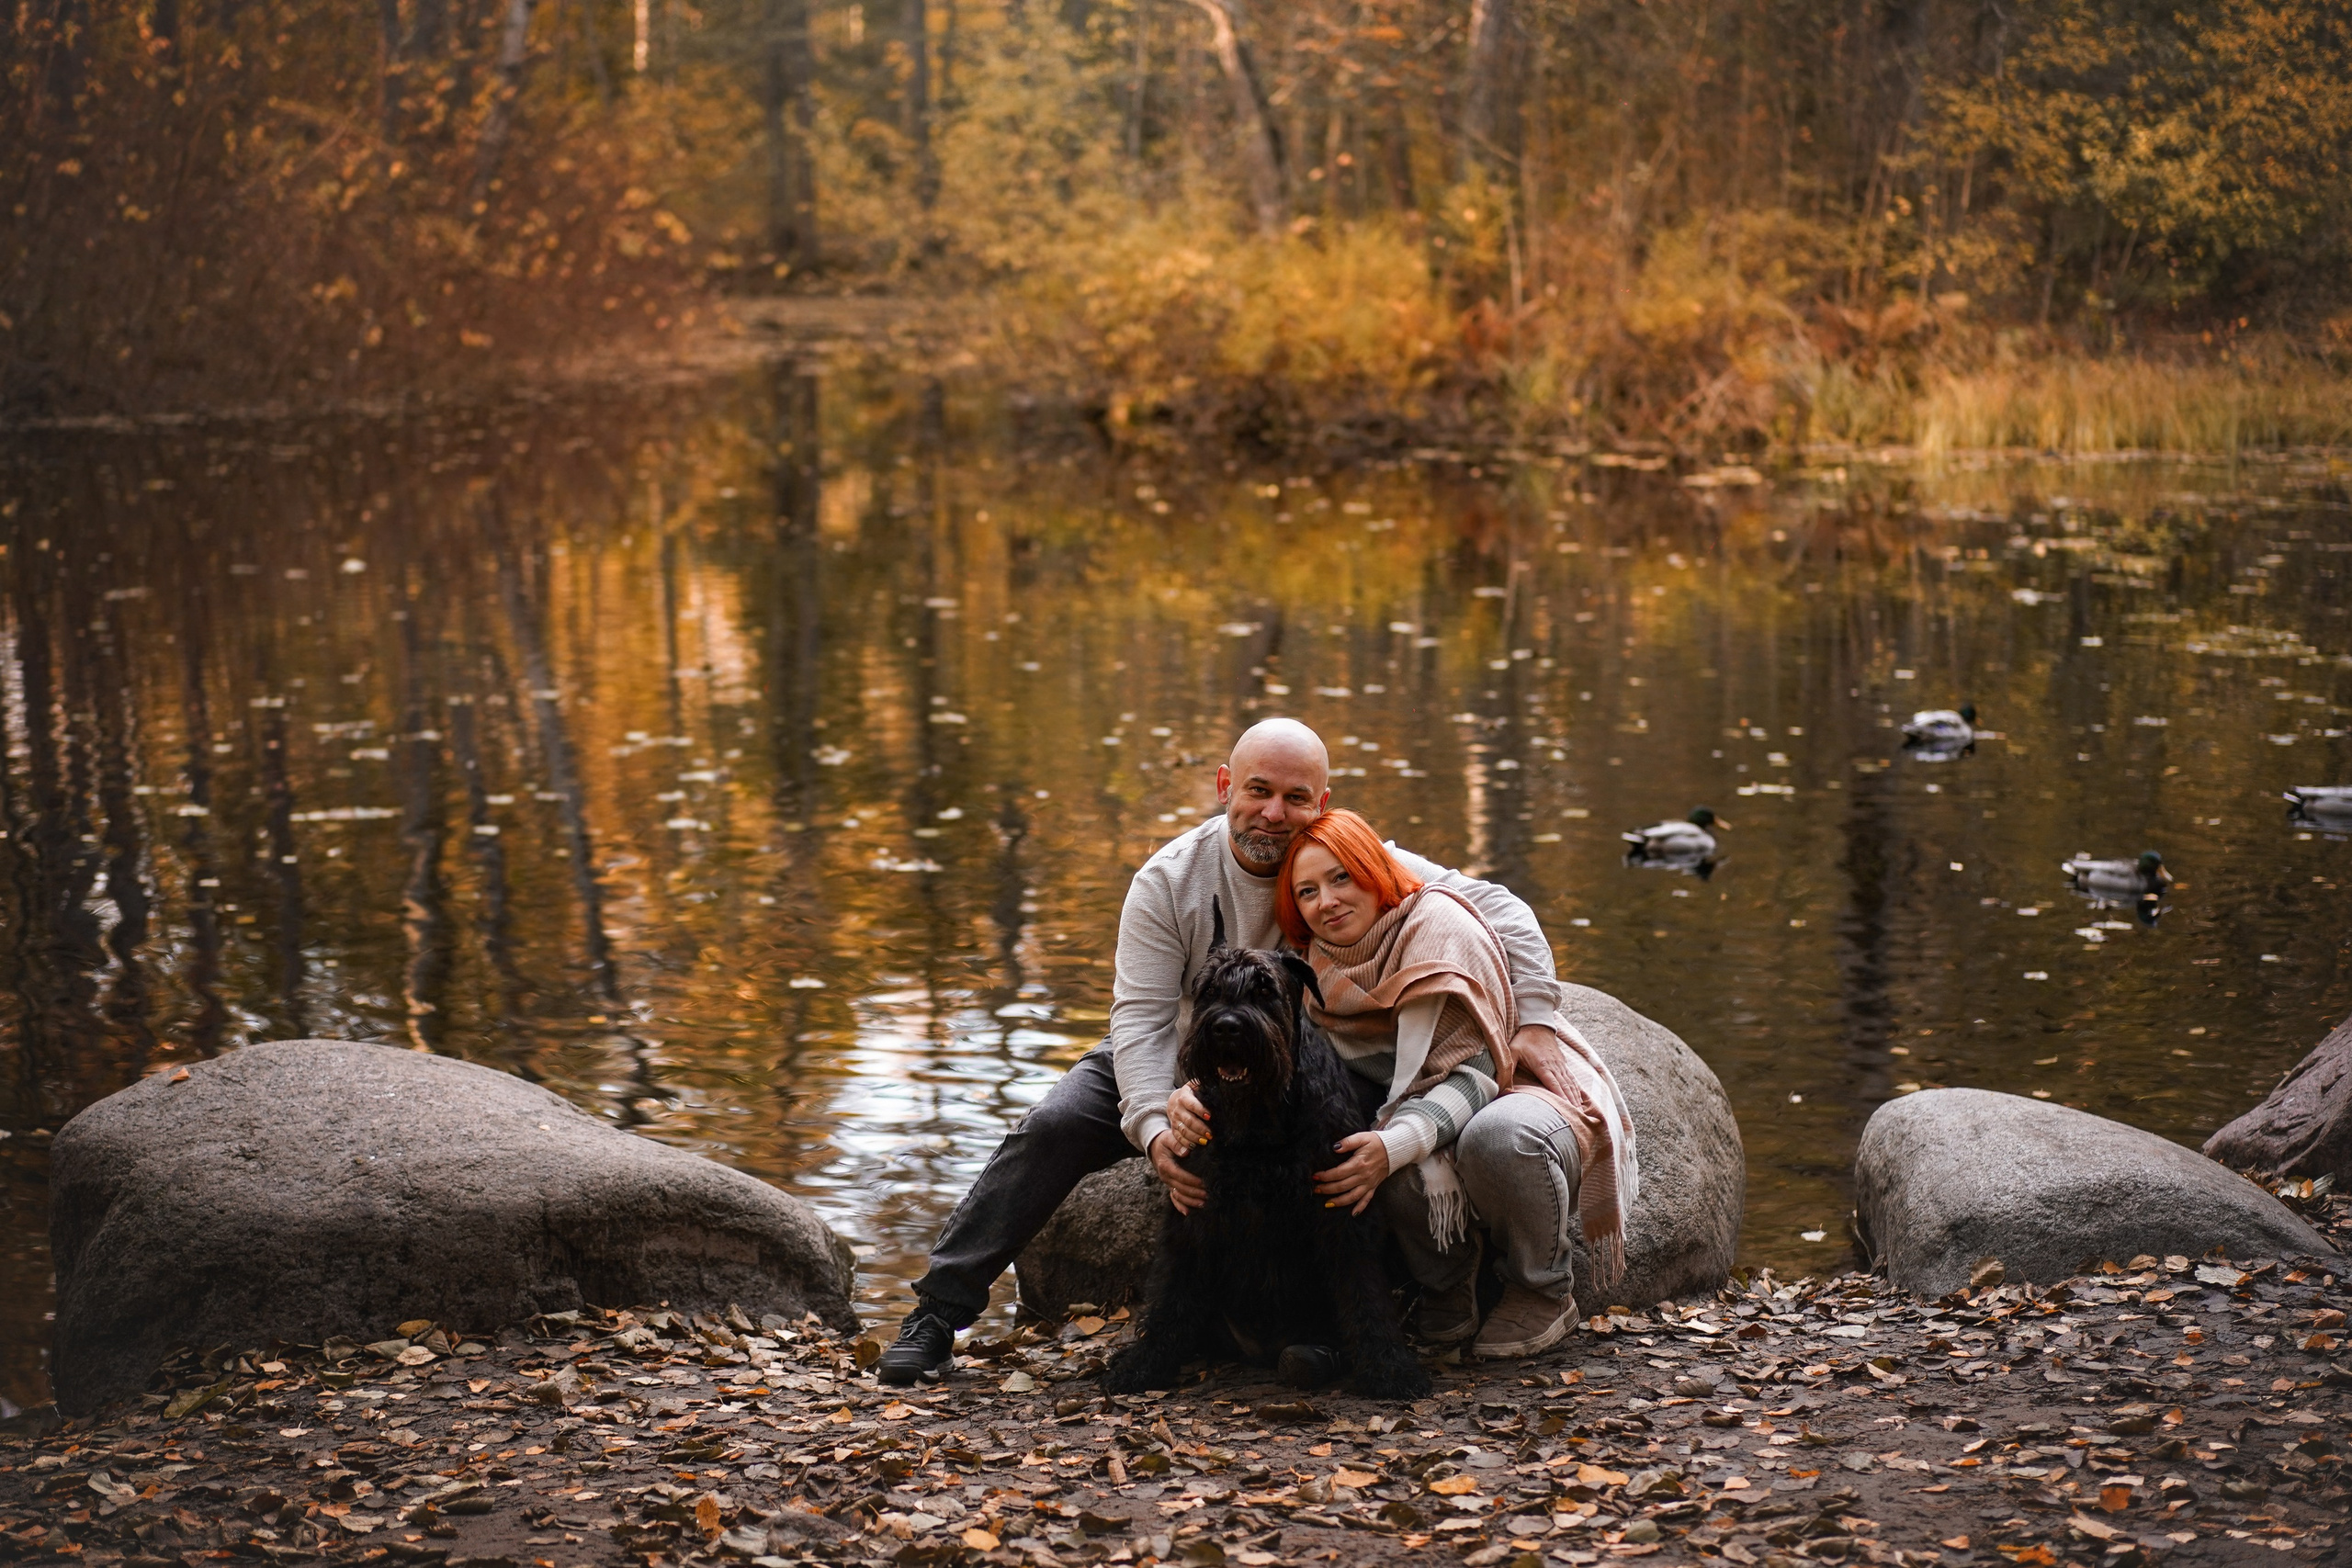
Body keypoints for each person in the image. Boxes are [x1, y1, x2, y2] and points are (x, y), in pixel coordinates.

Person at [877, 717, 1573, 1385]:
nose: (1274, 812)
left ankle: (1343, 1330)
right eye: (1258, 790)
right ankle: (939, 1311)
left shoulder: (1344, 857)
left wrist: (1535, 1017)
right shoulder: (1168, 880)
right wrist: (1155, 1128)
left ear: (1321, 802)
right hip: (1183, 1046)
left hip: (1308, 1062)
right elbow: (1142, 1020)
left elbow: (1500, 908)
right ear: (1224, 787)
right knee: (1055, 1124)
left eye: (1296, 797)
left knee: (1352, 1156)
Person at [1265, 808, 1637, 1359]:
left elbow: (1479, 1071)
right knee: (1360, 1151)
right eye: (1308, 891)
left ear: (1373, 869)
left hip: (1512, 1079)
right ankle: (1446, 1286)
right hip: (1421, 1100)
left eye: (1341, 877)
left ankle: (1542, 1290)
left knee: (1494, 1139)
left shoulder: (1438, 928)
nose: (1328, 901)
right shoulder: (1316, 966)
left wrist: (1395, 1144)